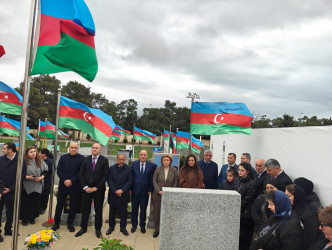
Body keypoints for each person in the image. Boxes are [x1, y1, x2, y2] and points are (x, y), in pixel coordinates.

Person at [75, 143, 109, 238]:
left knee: (98, 210)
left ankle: (98, 229)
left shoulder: (104, 160)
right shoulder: (85, 160)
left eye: (96, 148)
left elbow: (105, 176)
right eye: (93, 147)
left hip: (98, 190)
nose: (94, 149)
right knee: (85, 209)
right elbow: (81, 174)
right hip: (86, 190)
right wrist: (85, 187)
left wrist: (96, 187)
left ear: (100, 150)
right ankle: (83, 228)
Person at [52, 142, 84, 232]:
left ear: (78, 149)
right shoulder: (63, 157)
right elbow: (59, 171)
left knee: (73, 205)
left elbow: (80, 172)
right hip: (63, 185)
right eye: (71, 147)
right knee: (59, 205)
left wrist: (71, 180)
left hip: (75, 186)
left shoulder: (82, 159)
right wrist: (65, 180)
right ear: (69, 148)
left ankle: (70, 224)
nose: (73, 149)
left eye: (75, 148)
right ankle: (56, 223)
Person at [0, 142, 27, 242]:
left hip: (13, 191)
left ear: (10, 150)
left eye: (4, 149)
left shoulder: (21, 161)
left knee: (11, 212)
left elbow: (22, 176)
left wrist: (11, 189)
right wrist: (2, 189)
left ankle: (8, 229)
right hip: (1, 192)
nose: (2, 150)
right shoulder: (1, 160)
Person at [251, 179, 284, 247]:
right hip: (259, 227)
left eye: (272, 188)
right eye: (267, 188)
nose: (269, 190)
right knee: (255, 245)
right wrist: (262, 224)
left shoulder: (281, 201)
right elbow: (254, 212)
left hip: (273, 230)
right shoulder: (261, 198)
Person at [152, 154, 179, 238]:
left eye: (167, 160)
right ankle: (156, 230)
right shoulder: (158, 169)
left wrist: (170, 192)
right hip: (157, 195)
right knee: (157, 214)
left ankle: (166, 230)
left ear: (170, 161)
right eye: (164, 160)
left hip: (169, 196)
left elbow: (176, 183)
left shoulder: (174, 170)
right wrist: (158, 191)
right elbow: (154, 181)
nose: (166, 161)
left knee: (168, 214)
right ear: (162, 161)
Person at [285, 184, 319, 249]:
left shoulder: (308, 217)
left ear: (297, 197)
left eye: (288, 196)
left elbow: (308, 240)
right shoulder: (288, 209)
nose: (285, 198)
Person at [106, 153, 133, 236]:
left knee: (123, 212)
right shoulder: (112, 168)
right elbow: (109, 180)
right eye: (119, 159)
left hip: (123, 194)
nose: (121, 161)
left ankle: (123, 228)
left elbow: (130, 181)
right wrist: (115, 190)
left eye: (123, 159)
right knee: (112, 212)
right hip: (113, 194)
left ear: (125, 160)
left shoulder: (128, 169)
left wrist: (122, 190)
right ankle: (111, 227)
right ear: (116, 159)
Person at [21, 146, 48, 225]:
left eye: (34, 151)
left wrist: (41, 177)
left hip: (37, 185)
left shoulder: (40, 160)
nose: (33, 153)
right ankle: (24, 219)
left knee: (35, 203)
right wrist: (28, 177)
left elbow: (45, 170)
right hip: (27, 185)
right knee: (26, 203)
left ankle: (32, 218)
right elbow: (20, 174)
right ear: (27, 153)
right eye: (31, 152)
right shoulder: (24, 162)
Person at [131, 150, 156, 234]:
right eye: (141, 154)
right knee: (134, 210)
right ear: (139, 155)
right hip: (134, 191)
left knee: (143, 210)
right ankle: (134, 225)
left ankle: (142, 225)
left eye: (144, 155)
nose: (143, 156)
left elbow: (152, 179)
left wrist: (150, 190)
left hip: (145, 192)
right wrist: (130, 189)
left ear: (147, 156)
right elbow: (131, 177)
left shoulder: (151, 165)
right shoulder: (133, 164)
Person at [237, 162, 257, 250]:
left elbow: (247, 201)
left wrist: (234, 204)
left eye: (242, 170)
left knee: (244, 239)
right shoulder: (238, 180)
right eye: (239, 170)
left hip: (246, 215)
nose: (239, 172)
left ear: (248, 171)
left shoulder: (252, 183)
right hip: (237, 212)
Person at [39, 148, 53, 215]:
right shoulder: (39, 160)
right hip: (39, 179)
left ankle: (43, 208)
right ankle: (39, 207)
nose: (39, 154)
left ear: (44, 154)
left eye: (40, 153)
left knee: (45, 194)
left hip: (47, 179)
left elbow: (50, 170)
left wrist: (44, 174)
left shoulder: (50, 161)